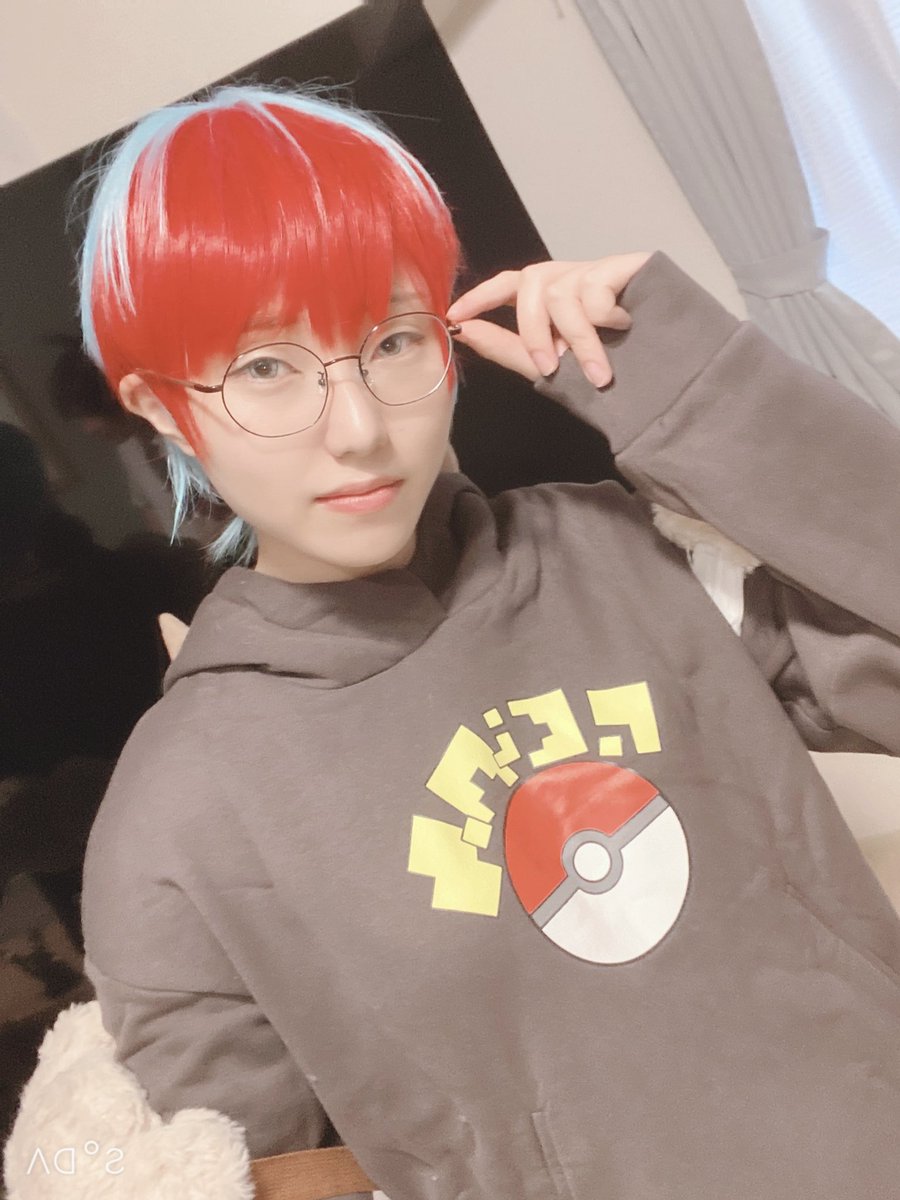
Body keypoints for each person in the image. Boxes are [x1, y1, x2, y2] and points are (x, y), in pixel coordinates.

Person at [21, 83, 900, 1197]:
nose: (359, 430)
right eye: (265, 368)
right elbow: (259, 1172)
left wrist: (691, 386)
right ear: (159, 405)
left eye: (393, 341)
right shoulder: (177, 813)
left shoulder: (633, 558)